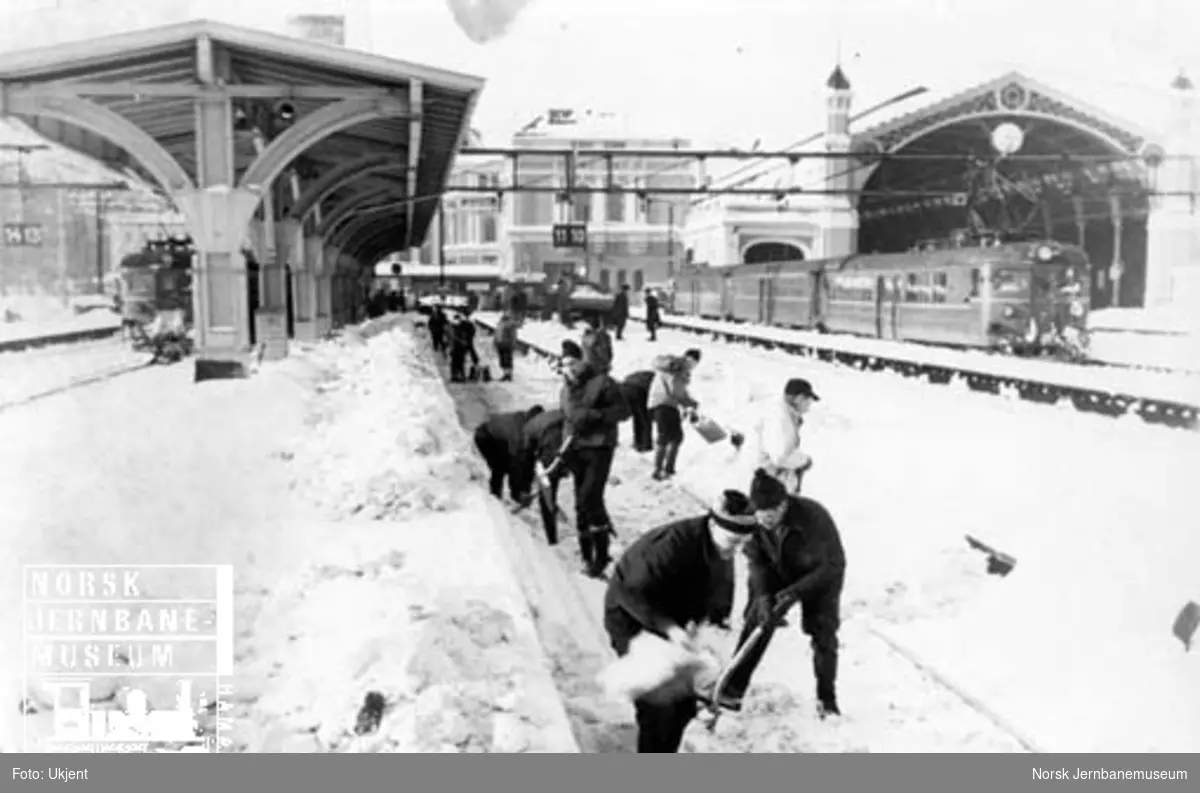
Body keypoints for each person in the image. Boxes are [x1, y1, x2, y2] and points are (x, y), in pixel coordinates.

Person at [603, 489, 759, 753]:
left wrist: (712, 625)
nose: (737, 550)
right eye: (733, 541)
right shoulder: (668, 546)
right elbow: (630, 593)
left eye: (744, 543)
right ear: (713, 524)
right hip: (634, 620)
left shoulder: (720, 545)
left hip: (677, 622)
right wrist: (670, 629)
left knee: (683, 706)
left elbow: (719, 589)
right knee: (658, 704)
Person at [717, 469, 846, 719]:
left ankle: (826, 700)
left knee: (823, 634)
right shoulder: (755, 520)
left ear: (784, 504)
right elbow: (756, 560)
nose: (765, 520)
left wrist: (795, 593)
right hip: (779, 569)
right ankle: (731, 691)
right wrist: (764, 596)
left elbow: (831, 565)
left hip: (819, 576)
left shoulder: (813, 517)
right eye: (760, 515)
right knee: (758, 621)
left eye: (771, 514)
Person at [560, 337, 631, 577]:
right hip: (578, 445)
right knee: (582, 501)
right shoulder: (575, 377)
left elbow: (623, 411)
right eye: (599, 352)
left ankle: (600, 554)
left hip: (600, 447)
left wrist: (594, 416)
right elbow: (568, 409)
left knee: (590, 498)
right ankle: (588, 552)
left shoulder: (608, 384)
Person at [736, 377, 819, 495]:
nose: (809, 407)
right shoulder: (778, 418)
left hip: (766, 475)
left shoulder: (783, 412)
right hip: (763, 480)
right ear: (799, 398)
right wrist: (805, 461)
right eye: (808, 402)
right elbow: (780, 457)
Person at [513, 408, 570, 546]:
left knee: (546, 493)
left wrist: (524, 490)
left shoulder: (528, 429)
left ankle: (552, 540)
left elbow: (526, 460)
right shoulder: (550, 415)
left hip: (553, 443)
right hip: (573, 436)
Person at [646, 348, 701, 481]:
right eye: (694, 363)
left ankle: (666, 469)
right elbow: (675, 390)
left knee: (674, 437)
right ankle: (660, 470)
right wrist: (689, 403)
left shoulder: (677, 368)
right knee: (667, 437)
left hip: (662, 403)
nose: (693, 367)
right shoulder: (677, 367)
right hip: (664, 404)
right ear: (691, 360)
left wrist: (689, 402)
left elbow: (678, 390)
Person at [474, 405, 545, 501]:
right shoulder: (517, 431)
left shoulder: (528, 423)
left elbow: (531, 457)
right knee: (501, 465)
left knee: (527, 456)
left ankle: (522, 492)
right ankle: (497, 497)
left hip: (500, 436)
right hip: (485, 437)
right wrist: (518, 493)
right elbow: (515, 463)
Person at [620, 369, 656, 453]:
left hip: (624, 387)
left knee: (638, 417)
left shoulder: (650, 376)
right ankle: (646, 446)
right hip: (637, 390)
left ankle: (638, 443)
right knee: (644, 418)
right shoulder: (662, 381)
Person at [493, 312, 519, 382]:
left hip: (507, 345)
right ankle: (505, 374)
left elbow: (513, 336)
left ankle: (508, 375)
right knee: (503, 360)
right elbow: (496, 334)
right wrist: (495, 342)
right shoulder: (500, 324)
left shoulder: (510, 325)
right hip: (500, 344)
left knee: (507, 360)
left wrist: (513, 344)